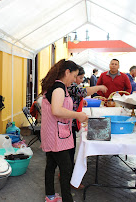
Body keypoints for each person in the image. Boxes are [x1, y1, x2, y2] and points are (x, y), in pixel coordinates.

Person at [41, 59, 88, 202]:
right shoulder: (58, 88)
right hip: (56, 135)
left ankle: (50, 196)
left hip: (53, 132)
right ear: (67, 72)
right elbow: (56, 110)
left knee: (51, 165)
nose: (74, 80)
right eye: (74, 76)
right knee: (66, 168)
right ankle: (67, 199)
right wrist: (77, 115)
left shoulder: (55, 86)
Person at [66, 66, 107, 189]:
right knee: (69, 151)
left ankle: (66, 174)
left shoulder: (70, 85)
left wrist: (80, 100)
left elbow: (79, 94)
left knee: (69, 151)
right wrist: (99, 87)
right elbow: (83, 91)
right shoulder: (71, 85)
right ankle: (70, 179)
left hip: (70, 123)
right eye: (79, 77)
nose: (79, 80)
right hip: (69, 122)